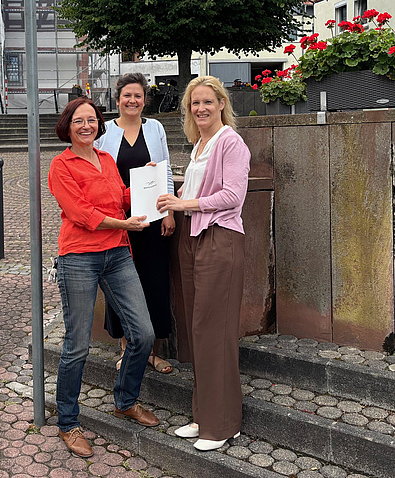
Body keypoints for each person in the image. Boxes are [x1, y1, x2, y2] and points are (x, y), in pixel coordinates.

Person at [49, 97, 160, 458]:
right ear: (67, 126)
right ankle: (68, 422)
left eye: (92, 120)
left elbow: (120, 198)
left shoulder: (108, 159)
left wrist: (148, 182)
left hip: (116, 253)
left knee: (143, 333)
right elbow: (81, 213)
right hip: (79, 257)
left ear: (99, 124)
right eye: (79, 121)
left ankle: (125, 400)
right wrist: (123, 223)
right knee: (77, 345)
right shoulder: (60, 165)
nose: (87, 126)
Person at [157, 76, 250, 452]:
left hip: (219, 240)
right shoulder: (199, 144)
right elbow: (193, 192)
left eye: (208, 102)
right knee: (199, 331)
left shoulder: (230, 141)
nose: (201, 109)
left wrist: (183, 205)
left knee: (214, 331)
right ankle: (204, 416)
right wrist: (166, 187)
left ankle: (223, 425)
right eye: (195, 103)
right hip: (194, 239)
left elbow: (232, 195)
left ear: (221, 104)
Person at [95, 72, 175, 374]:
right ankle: (127, 347)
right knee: (122, 282)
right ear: (118, 99)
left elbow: (164, 170)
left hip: (153, 218)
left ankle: (153, 351)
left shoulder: (155, 128)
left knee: (153, 281)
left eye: (138, 96)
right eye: (127, 95)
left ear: (144, 100)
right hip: (121, 220)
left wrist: (169, 212)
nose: (132, 100)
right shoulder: (105, 132)